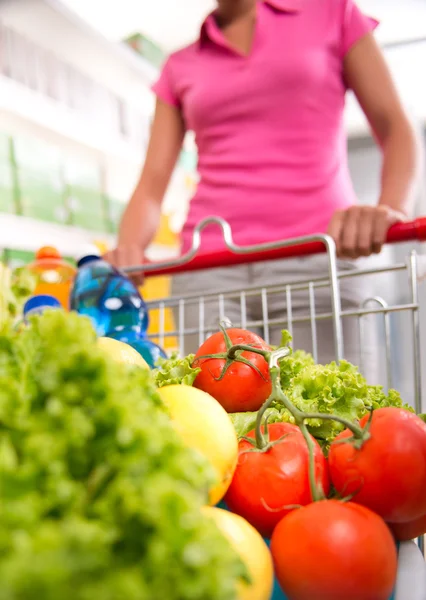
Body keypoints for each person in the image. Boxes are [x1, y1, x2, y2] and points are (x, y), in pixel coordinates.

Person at [105, 0, 418, 378]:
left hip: (318, 254)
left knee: (335, 425)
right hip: (208, 270)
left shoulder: (333, 14)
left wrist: (390, 208)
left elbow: (396, 128)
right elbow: (152, 183)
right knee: (221, 431)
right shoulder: (179, 66)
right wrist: (128, 248)